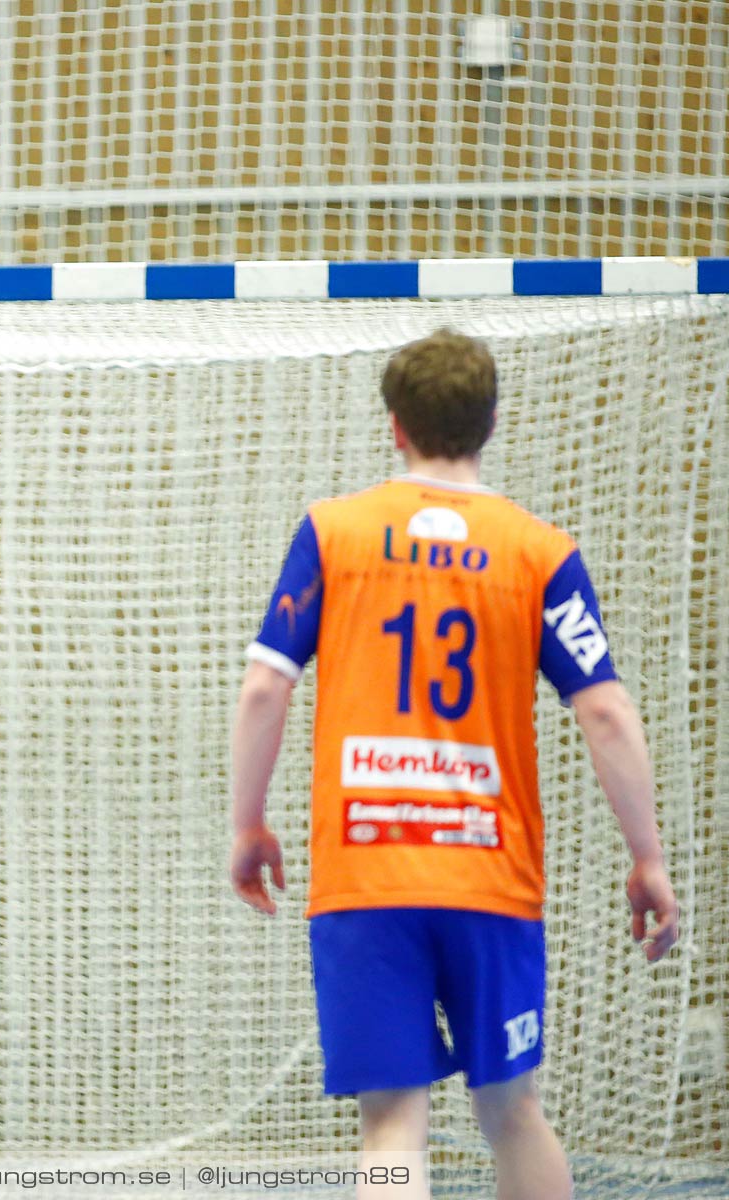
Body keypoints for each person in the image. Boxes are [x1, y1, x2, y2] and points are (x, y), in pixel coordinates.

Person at [228, 329, 681, 1200]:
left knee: (392, 1125)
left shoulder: (335, 533)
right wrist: (648, 855)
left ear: (394, 425)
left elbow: (262, 691)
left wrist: (248, 824)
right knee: (513, 1111)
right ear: (494, 422)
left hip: (367, 874)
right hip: (489, 875)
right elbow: (606, 711)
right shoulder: (538, 552)